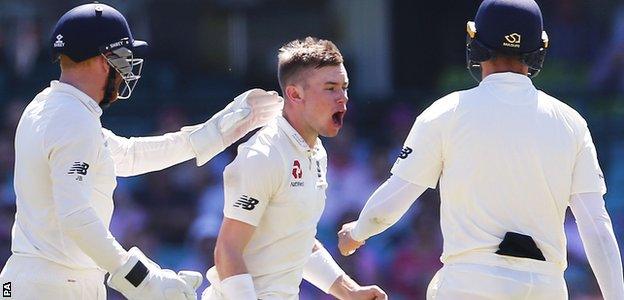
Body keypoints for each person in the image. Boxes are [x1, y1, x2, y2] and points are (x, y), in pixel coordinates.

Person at [337, 0, 624, 299]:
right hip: (544, 287)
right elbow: (596, 226)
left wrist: (358, 232)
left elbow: (398, 195)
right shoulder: (570, 123)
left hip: (468, 285)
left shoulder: (445, 112)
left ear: (475, 43)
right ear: (539, 49)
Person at [0, 3, 283, 300]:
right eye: (122, 58)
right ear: (101, 60)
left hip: (35, 279)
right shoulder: (73, 119)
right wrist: (143, 280)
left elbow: (129, 155)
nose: (125, 70)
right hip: (56, 285)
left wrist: (217, 131)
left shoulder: (48, 106)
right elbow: (74, 216)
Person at [201, 37, 387, 300]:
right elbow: (227, 250)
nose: (342, 98)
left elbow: (297, 240)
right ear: (295, 94)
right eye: (331, 88)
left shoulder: (317, 153)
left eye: (345, 88)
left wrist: (350, 292)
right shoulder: (262, 155)